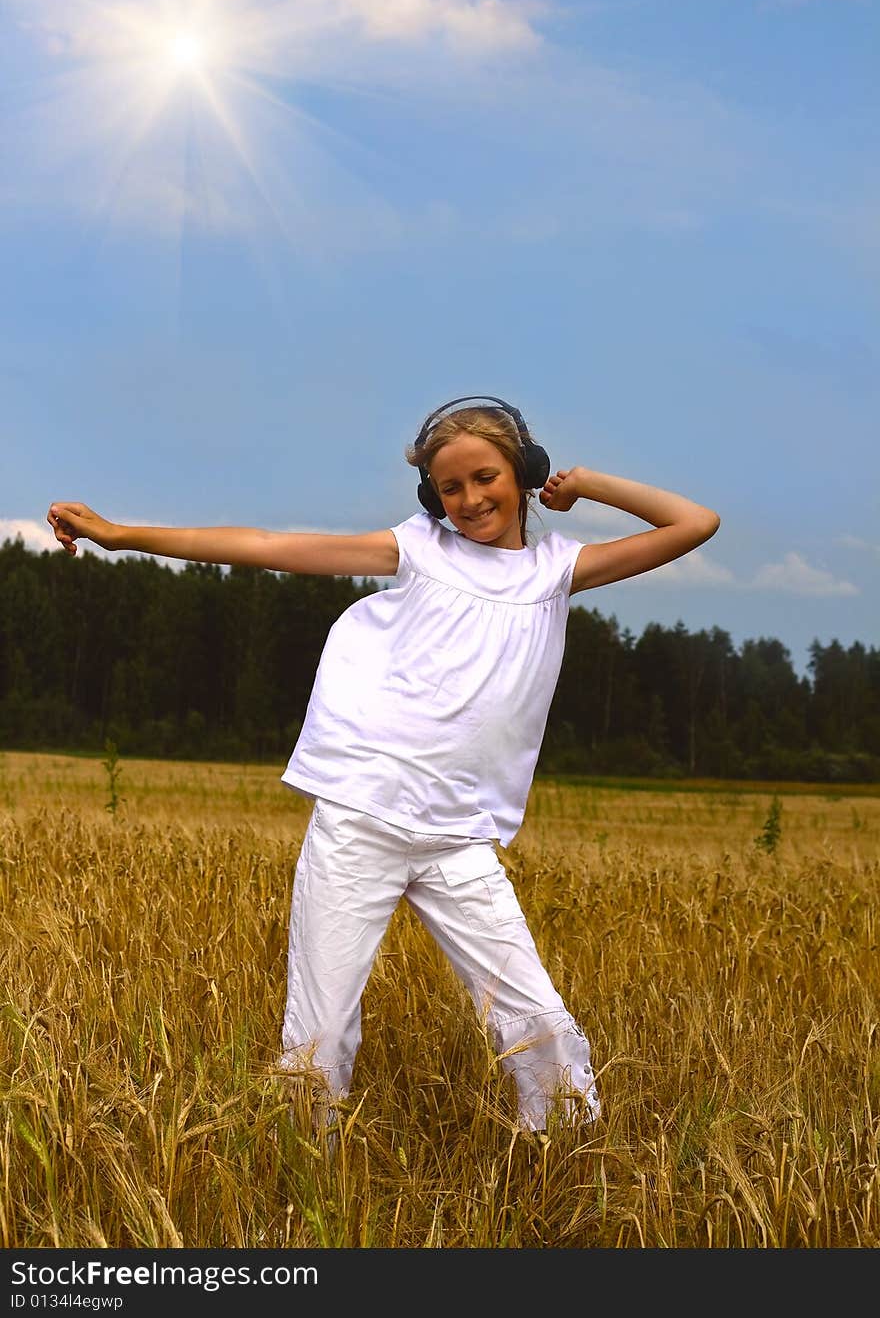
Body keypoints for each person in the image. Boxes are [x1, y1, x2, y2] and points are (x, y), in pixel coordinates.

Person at [47, 396, 720, 1135]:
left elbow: (694, 524)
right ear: (431, 497)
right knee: (320, 1034)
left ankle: (565, 1167)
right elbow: (269, 545)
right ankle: (310, 1181)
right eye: (449, 488)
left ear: (523, 472)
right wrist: (122, 535)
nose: (469, 499)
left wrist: (587, 483)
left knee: (538, 1022)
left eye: (487, 476)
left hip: (459, 838)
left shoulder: (559, 571)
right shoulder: (420, 548)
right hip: (360, 818)